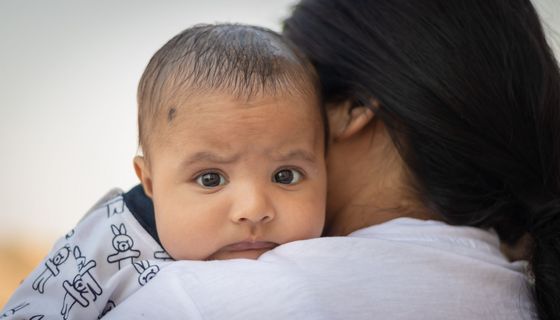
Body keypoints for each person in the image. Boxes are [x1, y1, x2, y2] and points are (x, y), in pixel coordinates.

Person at [100, 0, 559, 319]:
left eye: (299, 92)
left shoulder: (206, 301)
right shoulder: (524, 288)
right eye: (211, 177)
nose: (253, 206)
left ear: (352, 109)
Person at [0, 24, 327, 319]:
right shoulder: (108, 241)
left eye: (286, 176)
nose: (254, 209)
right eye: (210, 179)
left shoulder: (337, 254)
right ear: (150, 182)